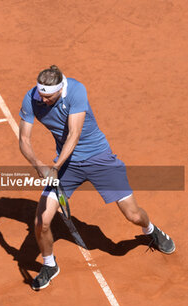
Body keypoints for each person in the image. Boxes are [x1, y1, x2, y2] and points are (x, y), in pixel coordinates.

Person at [19, 65, 175, 290]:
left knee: (132, 215)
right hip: (66, 166)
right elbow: (24, 140)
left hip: (99, 159)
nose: (42, 100)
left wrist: (54, 167)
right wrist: (38, 165)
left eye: (48, 96)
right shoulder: (32, 98)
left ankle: (150, 230)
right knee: (41, 221)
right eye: (41, 95)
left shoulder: (76, 90)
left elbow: (74, 134)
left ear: (60, 89)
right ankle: (49, 264)